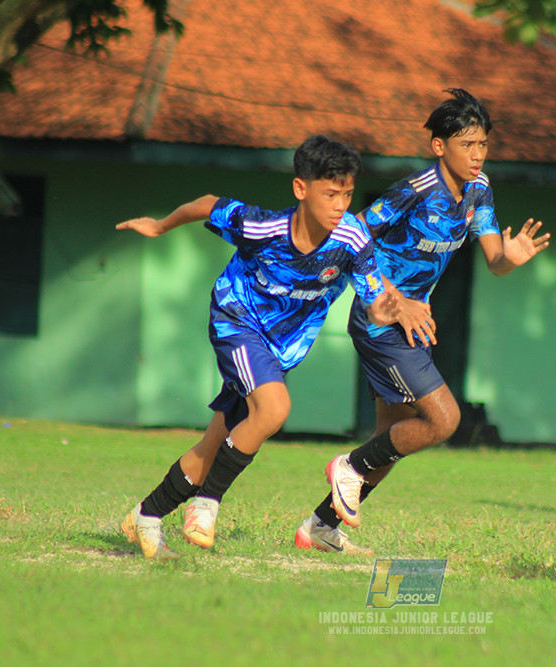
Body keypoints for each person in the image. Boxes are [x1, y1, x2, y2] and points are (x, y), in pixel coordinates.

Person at [278, 88, 549, 555]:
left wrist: (511, 257)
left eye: (483, 144)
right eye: (467, 144)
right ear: (439, 146)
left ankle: (320, 527)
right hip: (380, 315)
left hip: (413, 324)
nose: (477, 155)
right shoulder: (415, 191)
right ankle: (347, 466)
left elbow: (494, 261)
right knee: (443, 420)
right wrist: (396, 298)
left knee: (392, 440)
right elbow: (350, 233)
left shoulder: (479, 190)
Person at [116, 135, 397, 560]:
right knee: (274, 409)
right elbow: (207, 204)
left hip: (279, 350)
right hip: (236, 321)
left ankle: (146, 515)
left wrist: (386, 312)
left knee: (216, 444)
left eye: (347, 194)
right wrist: (160, 226)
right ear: (301, 188)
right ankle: (206, 505)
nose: (341, 205)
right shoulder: (261, 227)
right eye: (330, 194)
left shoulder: (353, 240)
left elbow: (375, 303)